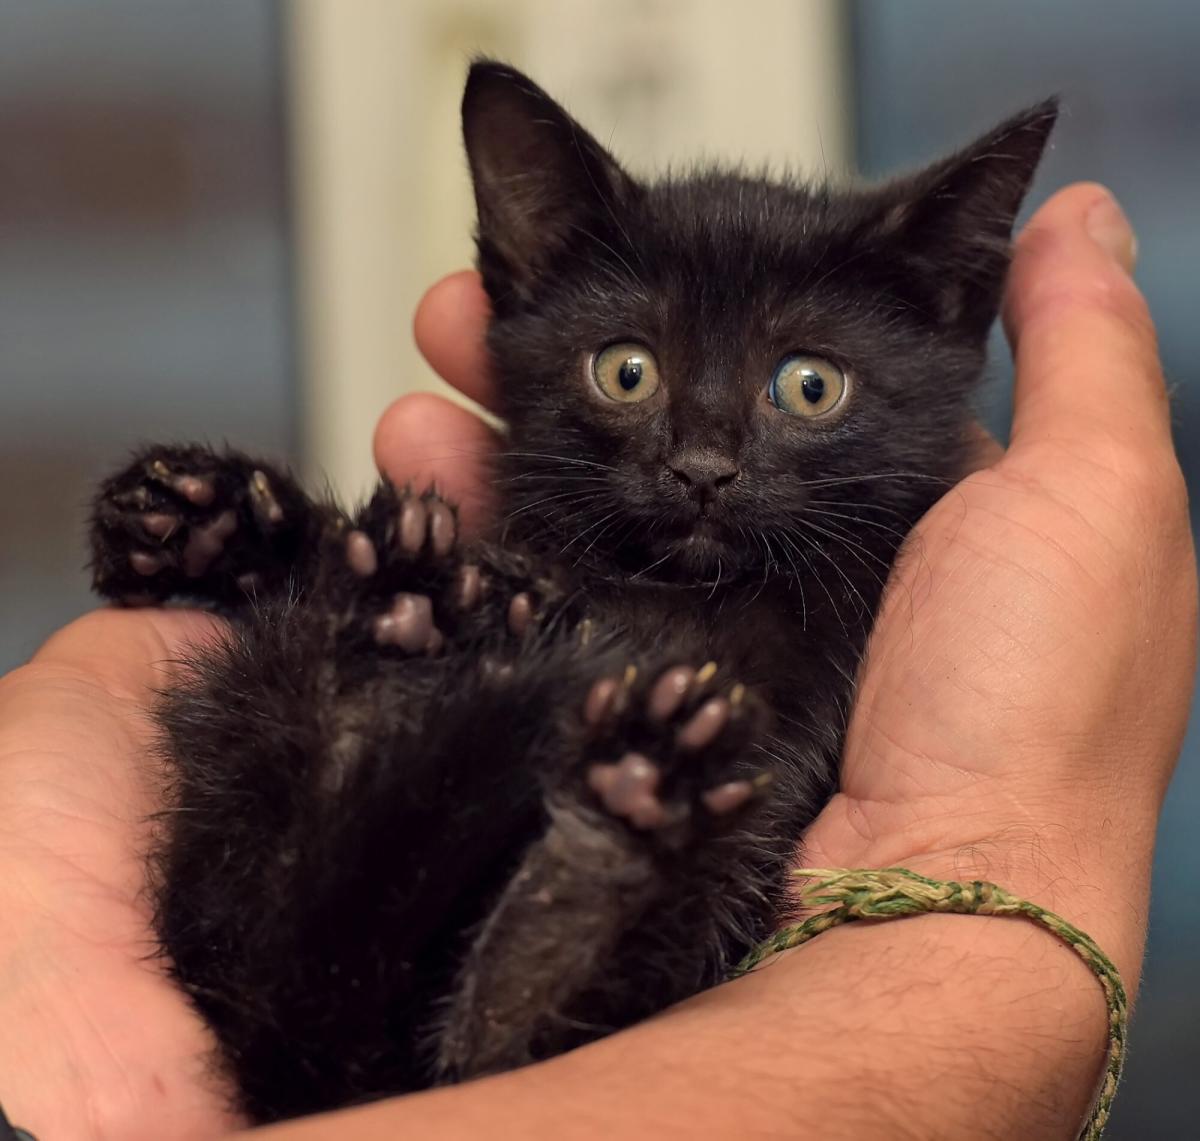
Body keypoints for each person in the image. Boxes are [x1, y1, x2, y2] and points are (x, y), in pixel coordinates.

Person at [0, 184, 1193, 1141]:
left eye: (807, 387)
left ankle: (540, 889)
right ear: (526, 309)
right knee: (393, 655)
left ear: (946, 323)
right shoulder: (516, 563)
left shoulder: (847, 634)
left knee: (676, 783)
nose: (707, 456)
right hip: (302, 929)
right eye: (630, 375)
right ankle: (447, 767)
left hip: (452, 998)